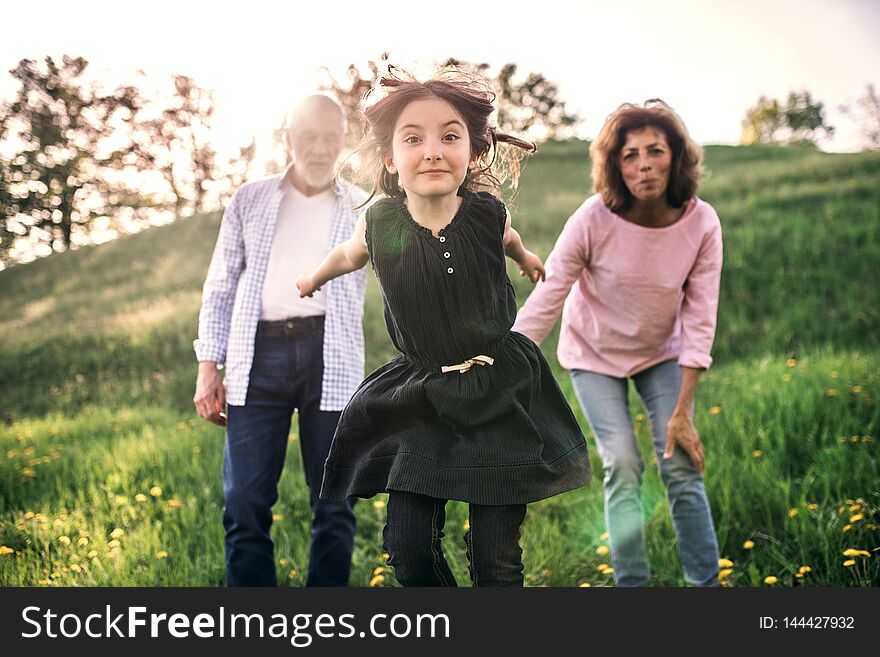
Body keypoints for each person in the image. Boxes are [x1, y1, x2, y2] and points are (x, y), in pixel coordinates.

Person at [296, 67, 591, 587]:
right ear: (390, 156)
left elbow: (512, 240)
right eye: (414, 138)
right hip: (422, 393)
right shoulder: (381, 222)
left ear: (474, 152)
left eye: (449, 136)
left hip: (499, 387)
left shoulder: (486, 214)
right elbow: (346, 254)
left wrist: (527, 259)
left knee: (494, 557)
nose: (432, 150)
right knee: (409, 552)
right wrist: (313, 277)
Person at [513, 100, 722, 587]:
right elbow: (550, 292)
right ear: (614, 164)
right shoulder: (593, 218)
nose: (644, 164)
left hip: (661, 353)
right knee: (623, 465)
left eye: (655, 151)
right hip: (594, 354)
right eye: (630, 155)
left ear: (676, 157)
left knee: (681, 465)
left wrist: (684, 412)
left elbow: (699, 318)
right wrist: (510, 365)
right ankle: (631, 586)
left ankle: (707, 585)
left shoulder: (702, 223)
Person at [193, 94, 366, 587]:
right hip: (256, 357)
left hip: (331, 356)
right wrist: (210, 366)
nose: (319, 148)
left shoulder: (362, 206)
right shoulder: (250, 198)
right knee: (245, 502)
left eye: (330, 138)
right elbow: (221, 283)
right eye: (308, 136)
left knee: (335, 502)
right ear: (289, 139)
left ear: (342, 142)